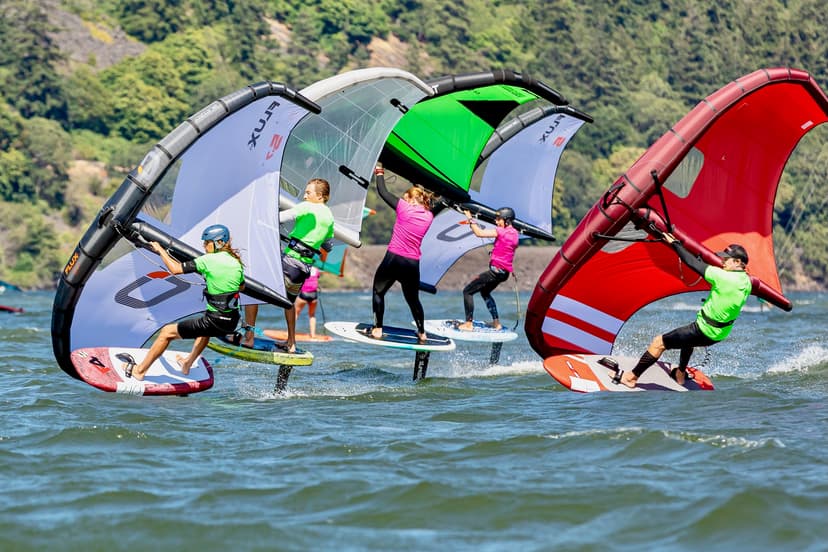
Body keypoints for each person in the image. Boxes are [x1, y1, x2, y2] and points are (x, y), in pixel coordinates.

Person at [619, 236, 751, 388]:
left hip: (702, 330)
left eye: (726, 259)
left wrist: (675, 244)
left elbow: (692, 263)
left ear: (737, 262)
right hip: (718, 335)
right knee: (688, 340)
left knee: (658, 343)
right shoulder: (746, 282)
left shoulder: (722, 276)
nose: (722, 262)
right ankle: (680, 374)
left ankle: (631, 377)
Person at [124, 224, 244, 381]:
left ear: (218, 242)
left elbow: (175, 269)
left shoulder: (207, 260)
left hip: (215, 320)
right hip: (232, 322)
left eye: (206, 242)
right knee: (204, 329)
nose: (204, 246)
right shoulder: (236, 263)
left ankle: (139, 371)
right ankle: (187, 363)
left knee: (166, 332)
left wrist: (160, 250)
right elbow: (241, 286)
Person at [241, 178, 334, 353]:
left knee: (250, 290)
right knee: (288, 303)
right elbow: (328, 244)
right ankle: (291, 343)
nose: (305, 196)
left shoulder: (307, 207)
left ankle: (249, 337)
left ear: (320, 196)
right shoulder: (329, 216)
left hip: (289, 262)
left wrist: (258, 217)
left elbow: (280, 218)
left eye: (308, 193)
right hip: (303, 269)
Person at [370, 164, 439, 343]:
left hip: (393, 258)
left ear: (409, 198)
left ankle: (378, 328)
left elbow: (382, 191)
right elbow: (440, 202)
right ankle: (422, 332)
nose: (402, 198)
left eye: (405, 196)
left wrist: (379, 170)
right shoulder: (429, 215)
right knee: (413, 300)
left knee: (378, 291)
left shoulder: (403, 207)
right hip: (411, 263)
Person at [457, 207, 519, 331]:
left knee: (467, 291)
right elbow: (507, 250)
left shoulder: (502, 232)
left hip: (495, 272)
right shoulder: (515, 234)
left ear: (506, 220)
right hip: (504, 273)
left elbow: (479, 233)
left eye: (499, 219)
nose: (496, 221)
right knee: (485, 292)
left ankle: (468, 324)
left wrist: (469, 218)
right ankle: (496, 323)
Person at [295, 265, 321, 338]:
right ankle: (313, 335)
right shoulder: (316, 270)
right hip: (314, 295)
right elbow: (317, 277)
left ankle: (290, 332)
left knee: (295, 313)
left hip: (304, 294)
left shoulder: (303, 268)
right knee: (312, 315)